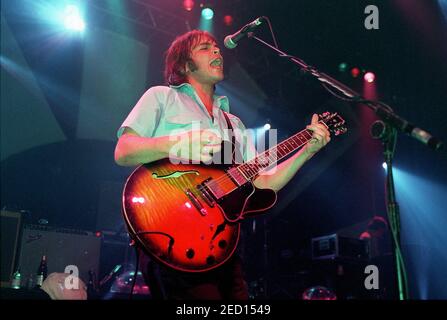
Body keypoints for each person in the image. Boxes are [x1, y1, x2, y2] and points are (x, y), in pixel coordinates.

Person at [114, 30, 331, 299]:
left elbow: (263, 182)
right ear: (184, 65)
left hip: (220, 245)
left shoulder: (234, 123)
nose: (217, 52)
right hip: (171, 235)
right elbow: (124, 151)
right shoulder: (161, 97)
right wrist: (178, 142)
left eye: (217, 48)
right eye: (205, 48)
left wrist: (305, 152)